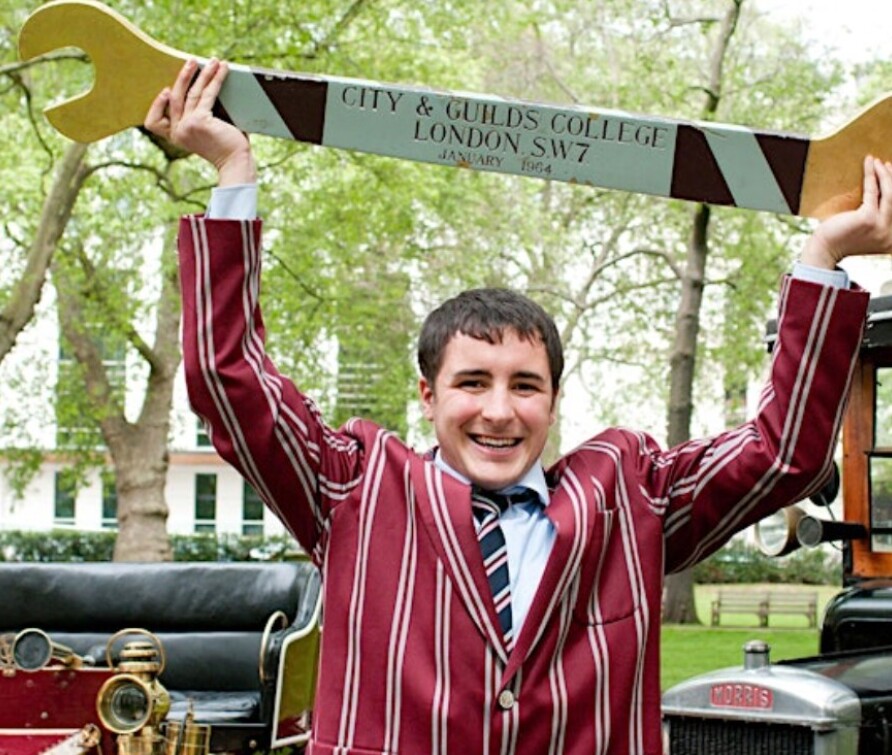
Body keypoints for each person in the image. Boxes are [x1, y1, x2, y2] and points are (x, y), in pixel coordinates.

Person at [146, 58, 892, 755]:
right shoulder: (354, 488)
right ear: (429, 395)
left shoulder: (629, 497)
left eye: (525, 385)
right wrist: (233, 171)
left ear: (554, 400)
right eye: (472, 382)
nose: (499, 411)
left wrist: (825, 255)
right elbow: (228, 375)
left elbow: (782, 452)